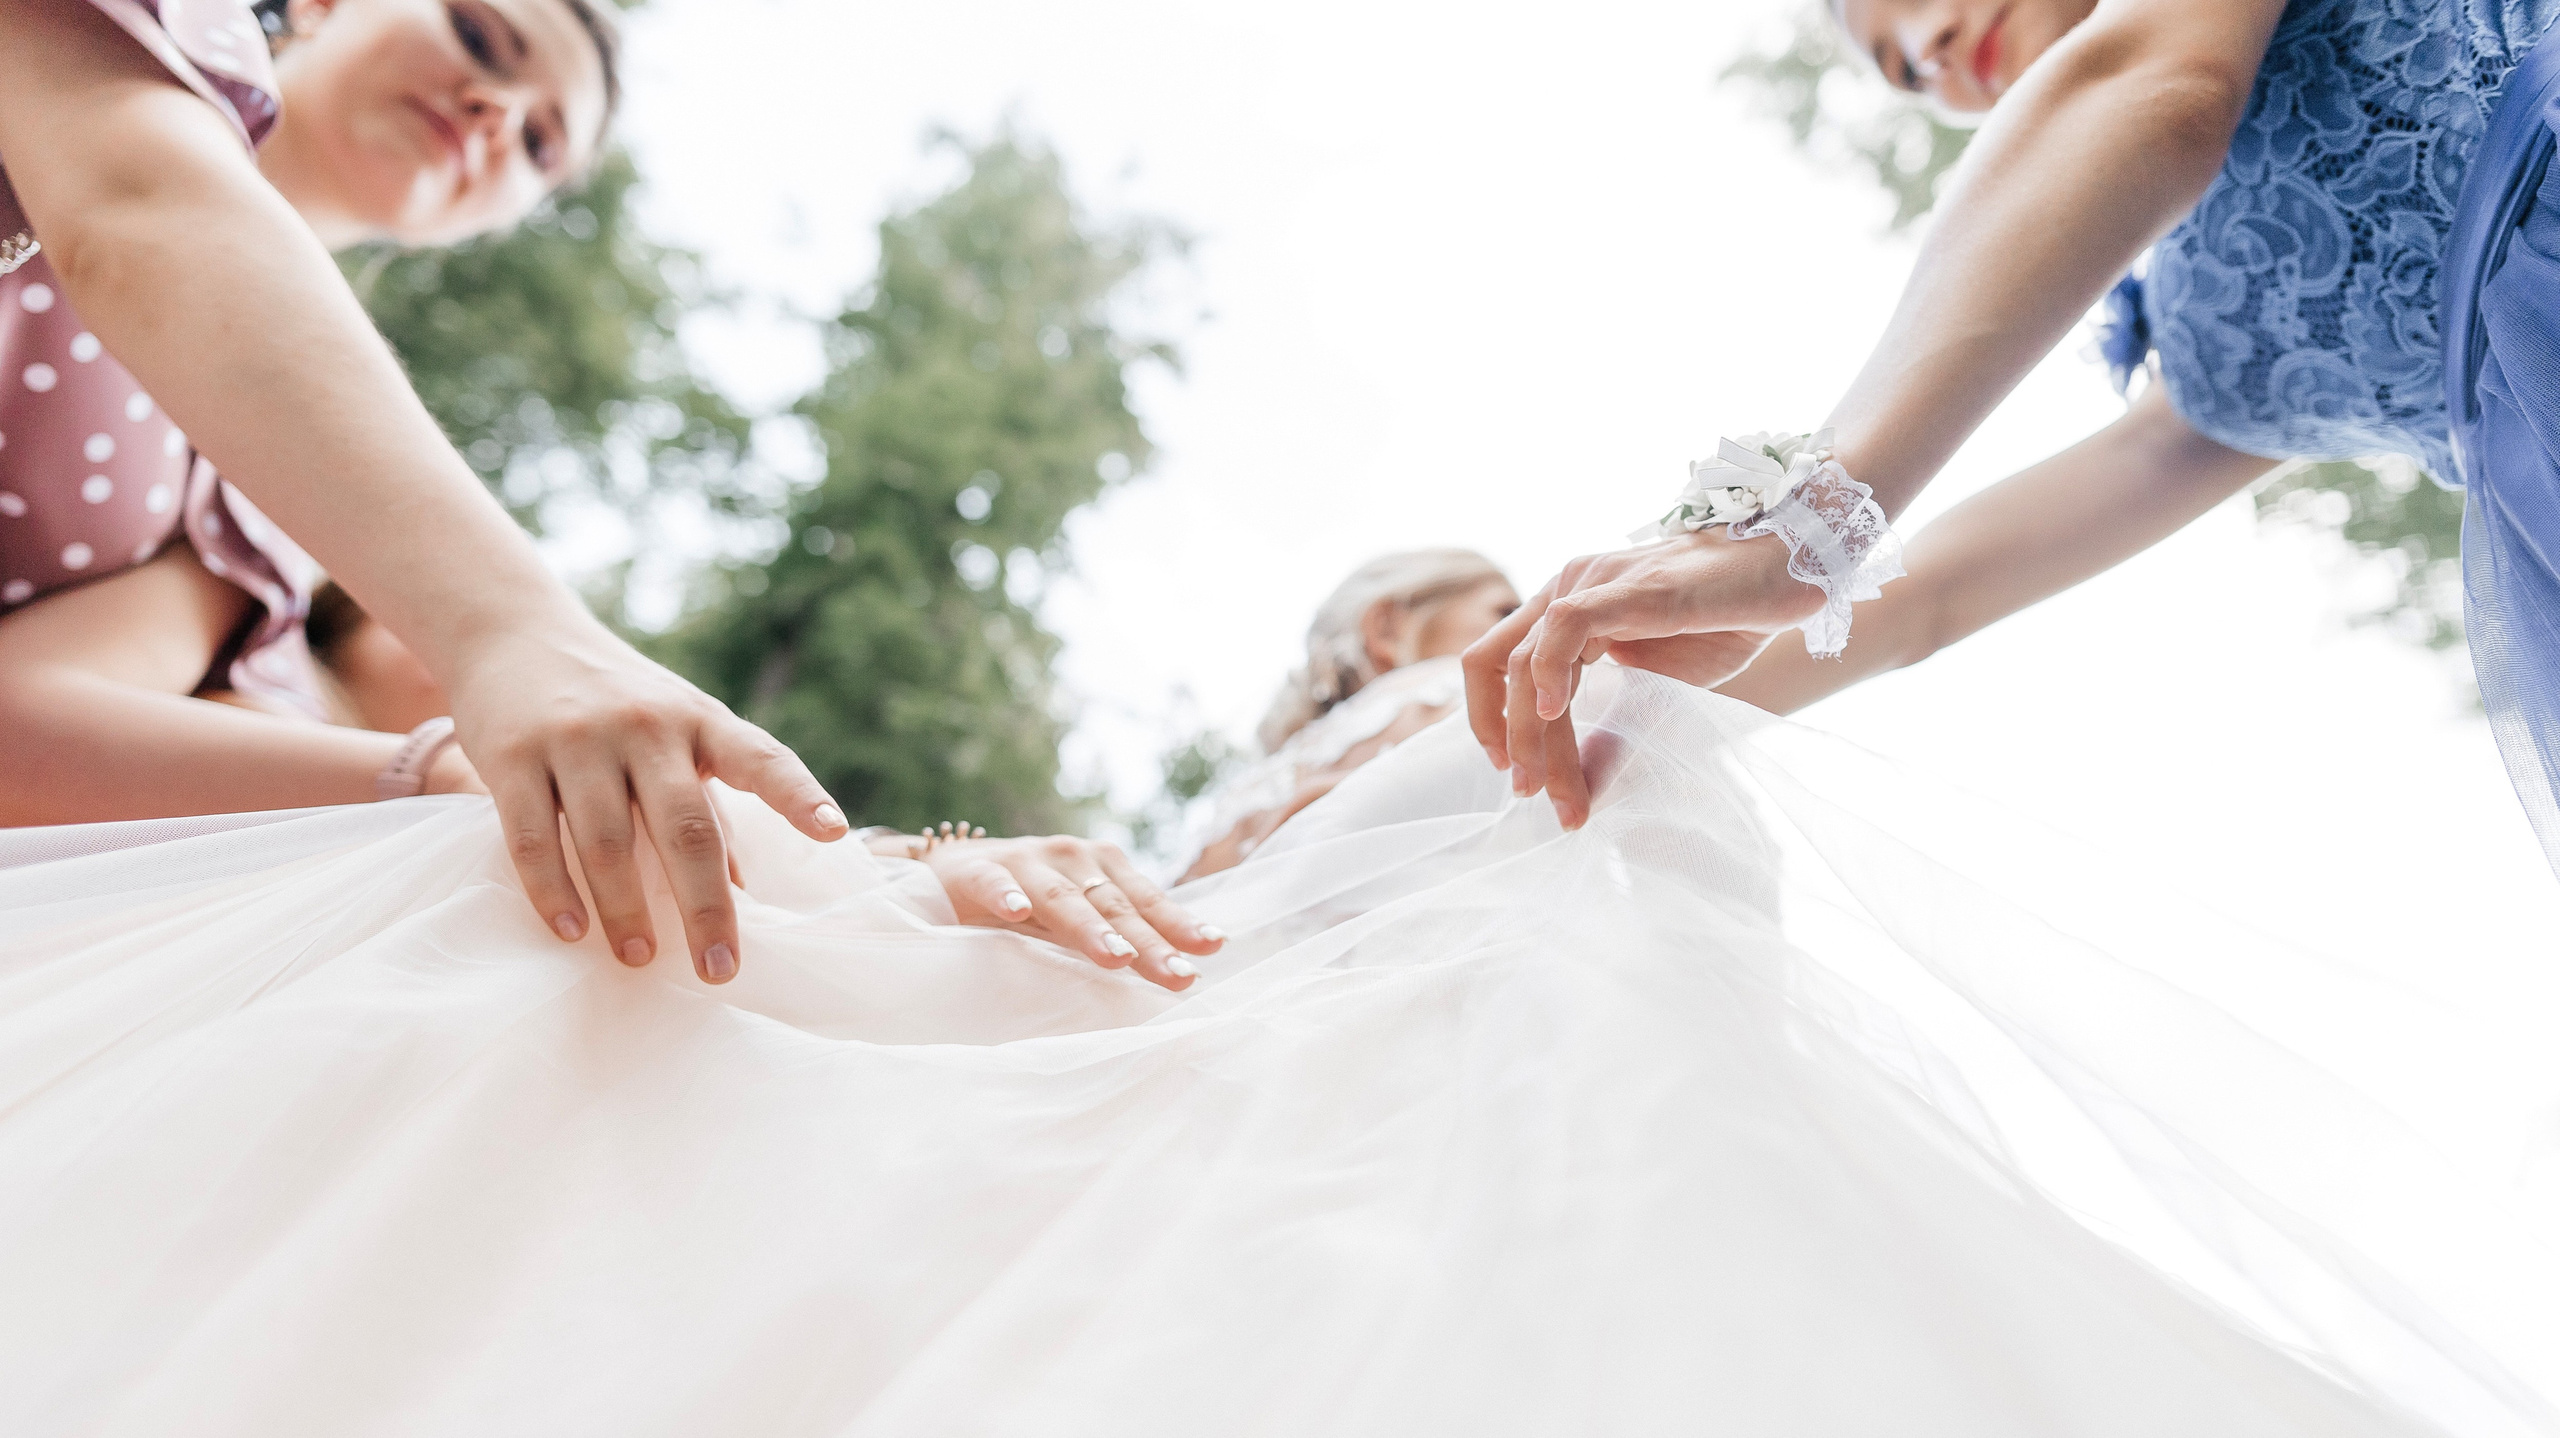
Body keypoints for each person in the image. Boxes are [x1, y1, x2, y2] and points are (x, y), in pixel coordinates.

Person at [0, 657, 2552, 1431]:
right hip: (1162, 958)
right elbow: (1112, 895)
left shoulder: (1604, 756)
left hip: (1460, 1017)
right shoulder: (1218, 815)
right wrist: (958, 858)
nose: (1496, 649)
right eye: (1424, 633)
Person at [1462, 0, 2560, 875]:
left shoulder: (2156, 69)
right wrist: (1574, 722)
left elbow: (2157, 80)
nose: (1930, 46)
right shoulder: (2210, 364)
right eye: (1900, 72)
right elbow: (1923, 602)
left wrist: (1806, 519)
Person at [0, 0, 841, 986]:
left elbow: (29, 740)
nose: (497, 110)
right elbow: (144, 205)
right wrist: (515, 635)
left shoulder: (285, 495)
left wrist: (452, 776)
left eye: (539, 142)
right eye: (481, 37)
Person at [1181, 548, 1516, 880]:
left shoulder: (1236, 806)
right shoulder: (1445, 688)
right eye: (1505, 614)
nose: (1524, 636)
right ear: (1386, 627)